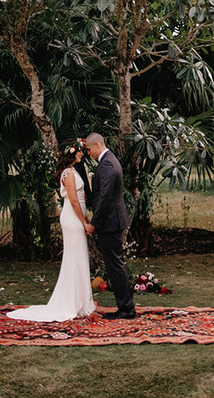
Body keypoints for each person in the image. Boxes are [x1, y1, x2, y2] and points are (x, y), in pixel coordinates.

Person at [7, 139, 95, 322]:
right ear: (73, 153)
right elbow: (73, 201)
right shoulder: (68, 174)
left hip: (77, 216)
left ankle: (81, 301)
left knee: (79, 257)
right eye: (80, 151)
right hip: (72, 218)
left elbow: (79, 198)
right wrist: (84, 221)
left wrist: (85, 215)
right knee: (74, 257)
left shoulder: (73, 171)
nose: (82, 154)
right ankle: (72, 302)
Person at [85, 132, 136, 320]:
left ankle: (127, 309)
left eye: (89, 149)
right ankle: (125, 307)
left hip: (110, 222)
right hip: (113, 220)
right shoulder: (110, 159)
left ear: (97, 145)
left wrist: (93, 224)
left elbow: (105, 197)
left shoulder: (106, 164)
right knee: (116, 265)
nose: (89, 153)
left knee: (115, 266)